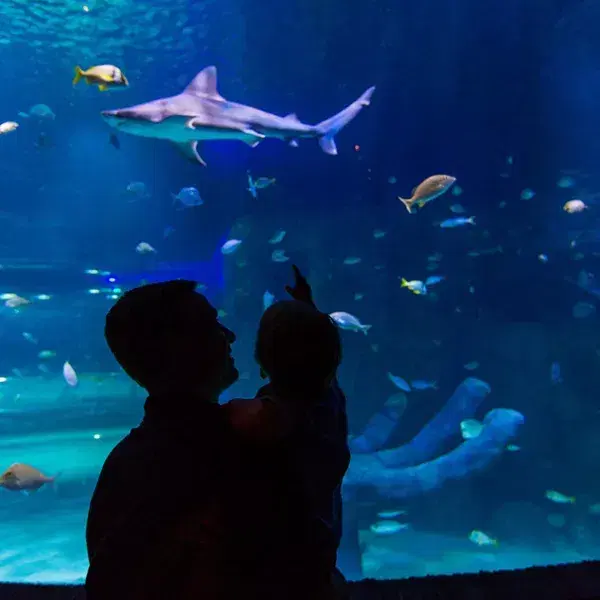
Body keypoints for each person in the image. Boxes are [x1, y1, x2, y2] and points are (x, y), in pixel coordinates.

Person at [85, 280, 239, 599]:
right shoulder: (230, 450)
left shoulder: (125, 462)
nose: (230, 336)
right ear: (181, 346)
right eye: (211, 325)